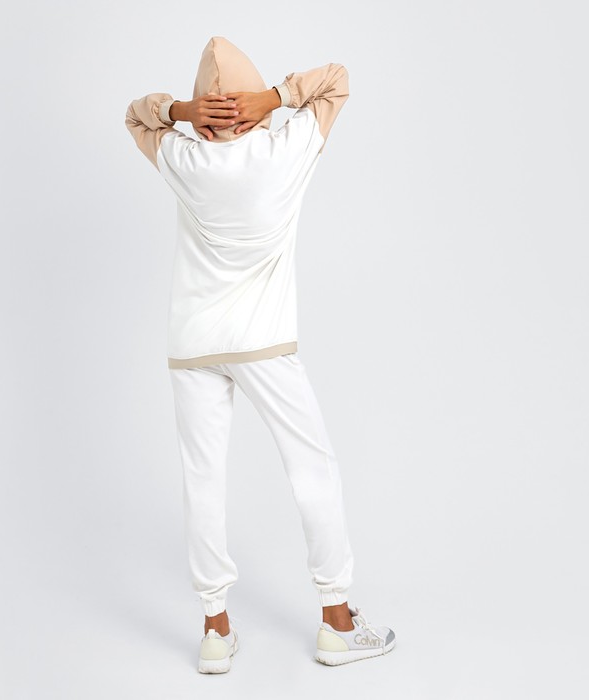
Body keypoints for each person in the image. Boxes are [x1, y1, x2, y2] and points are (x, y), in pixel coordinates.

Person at [125, 36, 395, 672]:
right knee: (312, 467)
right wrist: (274, 98)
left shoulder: (184, 158)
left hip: (193, 345)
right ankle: (337, 621)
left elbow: (137, 116)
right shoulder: (286, 148)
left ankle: (215, 631)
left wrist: (183, 113)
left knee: (203, 479)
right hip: (263, 342)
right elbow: (336, 79)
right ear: (250, 106)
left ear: (206, 108)